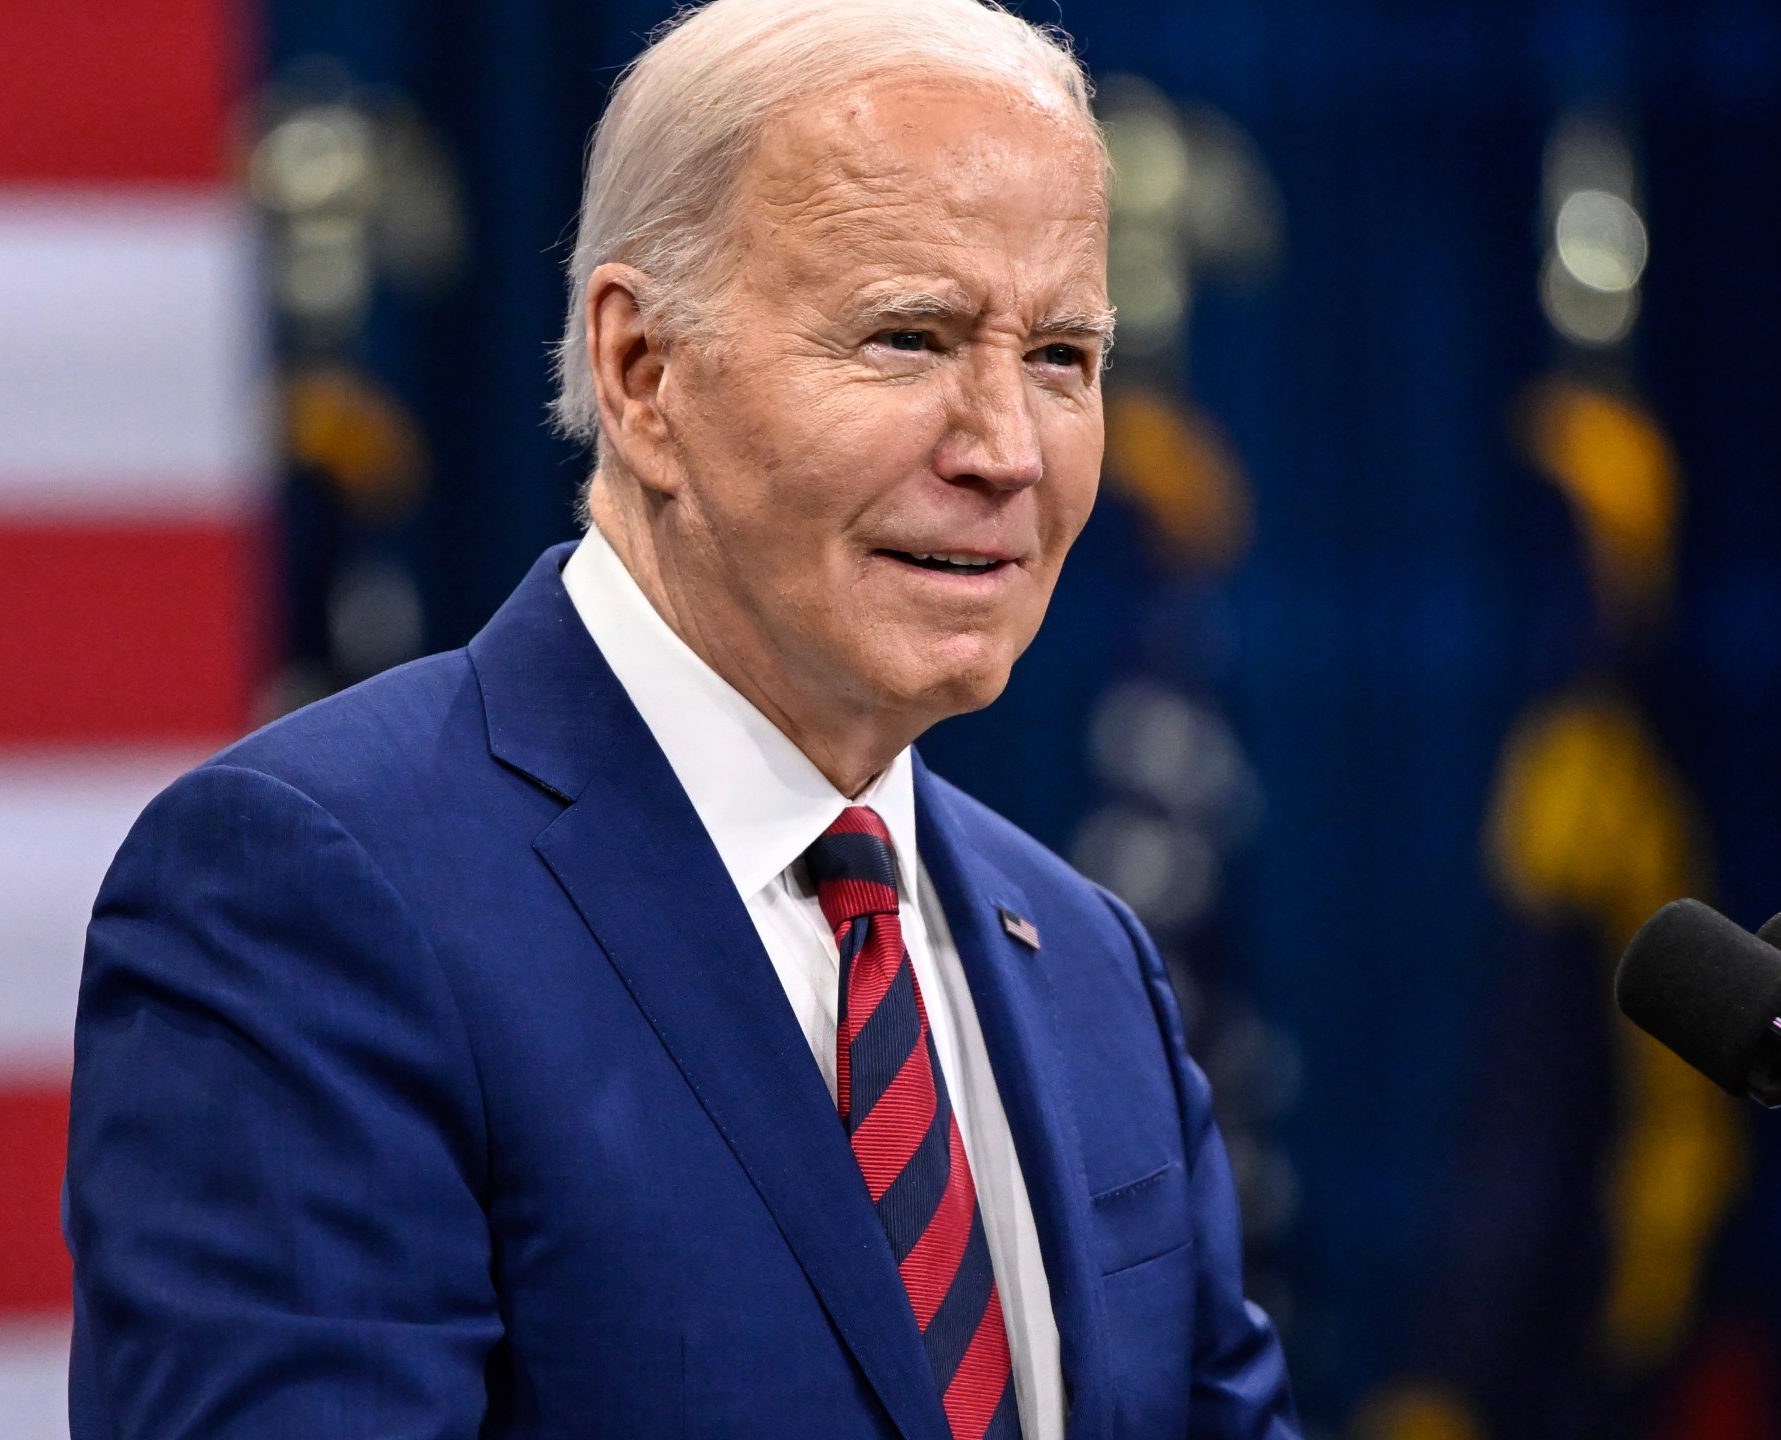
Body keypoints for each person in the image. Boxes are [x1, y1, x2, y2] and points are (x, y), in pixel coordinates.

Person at [63, 1, 1300, 1436]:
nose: (1008, 452)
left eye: (1064, 358)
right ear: (643, 374)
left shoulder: (1089, 959)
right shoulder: (307, 896)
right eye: (909, 337)